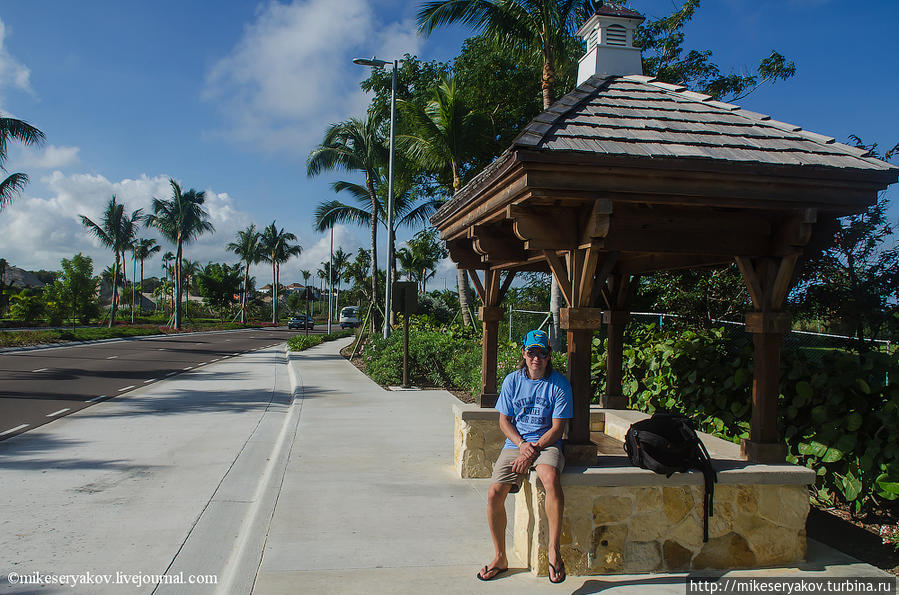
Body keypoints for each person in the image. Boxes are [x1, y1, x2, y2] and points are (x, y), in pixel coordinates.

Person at [477, 329, 573, 584]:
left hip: (546, 444)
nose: (536, 358)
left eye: (542, 352)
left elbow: (557, 429)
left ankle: (554, 551)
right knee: (494, 493)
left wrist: (532, 451)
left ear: (549, 355)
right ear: (524, 353)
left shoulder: (559, 384)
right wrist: (522, 445)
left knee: (551, 479)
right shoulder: (512, 381)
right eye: (532, 352)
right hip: (516, 443)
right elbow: (504, 421)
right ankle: (500, 557)